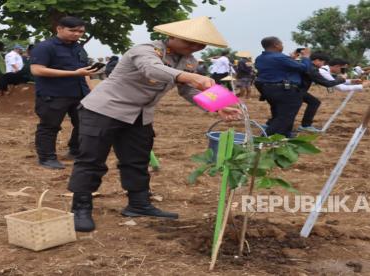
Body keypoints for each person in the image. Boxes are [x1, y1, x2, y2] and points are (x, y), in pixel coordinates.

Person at [67, 16, 241, 232]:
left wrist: (218, 105)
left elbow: (187, 89)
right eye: (190, 42)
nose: (194, 48)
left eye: (200, 45)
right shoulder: (145, 50)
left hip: (139, 115)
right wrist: (190, 77)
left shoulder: (188, 61)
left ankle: (138, 204)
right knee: (91, 160)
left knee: (137, 160)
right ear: (171, 37)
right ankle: (80, 208)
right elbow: (152, 70)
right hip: (104, 110)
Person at [30, 16, 96, 170]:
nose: (77, 34)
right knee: (49, 126)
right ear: (59, 29)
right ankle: (47, 158)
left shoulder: (79, 47)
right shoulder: (45, 47)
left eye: (80, 31)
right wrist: (73, 73)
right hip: (53, 94)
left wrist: (91, 90)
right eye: (72, 30)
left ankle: (75, 151)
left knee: (83, 124)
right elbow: (37, 69)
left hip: (80, 94)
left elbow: (84, 71)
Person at [254, 36, 311, 138]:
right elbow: (304, 68)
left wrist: (291, 59)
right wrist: (306, 57)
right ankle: (264, 138)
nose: (282, 46)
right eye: (281, 44)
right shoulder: (280, 57)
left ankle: (285, 136)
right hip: (284, 91)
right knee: (285, 117)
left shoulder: (260, 58)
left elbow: (278, 68)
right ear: (276, 45)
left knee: (278, 114)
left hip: (268, 90)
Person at [296, 52, 346, 133]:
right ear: (316, 60)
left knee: (314, 102)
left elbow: (326, 79)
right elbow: (327, 83)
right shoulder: (312, 69)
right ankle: (305, 126)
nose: (323, 65)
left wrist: (344, 80)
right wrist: (342, 79)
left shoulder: (309, 66)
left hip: (298, 90)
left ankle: (305, 125)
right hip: (296, 91)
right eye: (323, 62)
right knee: (292, 109)